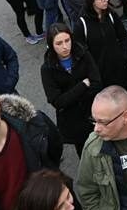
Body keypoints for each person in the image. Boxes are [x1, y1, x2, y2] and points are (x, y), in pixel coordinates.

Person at [40, 23, 102, 157]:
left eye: (67, 40)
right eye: (59, 43)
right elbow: (57, 101)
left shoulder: (83, 54)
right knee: (85, 152)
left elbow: (97, 83)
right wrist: (83, 85)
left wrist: (70, 97)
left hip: (93, 111)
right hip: (73, 121)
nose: (65, 46)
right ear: (51, 45)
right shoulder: (47, 69)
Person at [73, 0, 127, 90]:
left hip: (118, 68)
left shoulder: (111, 15)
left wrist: (125, 57)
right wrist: (92, 72)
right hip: (100, 74)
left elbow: (123, 37)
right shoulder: (82, 24)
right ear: (92, 2)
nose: (106, 0)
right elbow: (80, 51)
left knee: (123, 94)